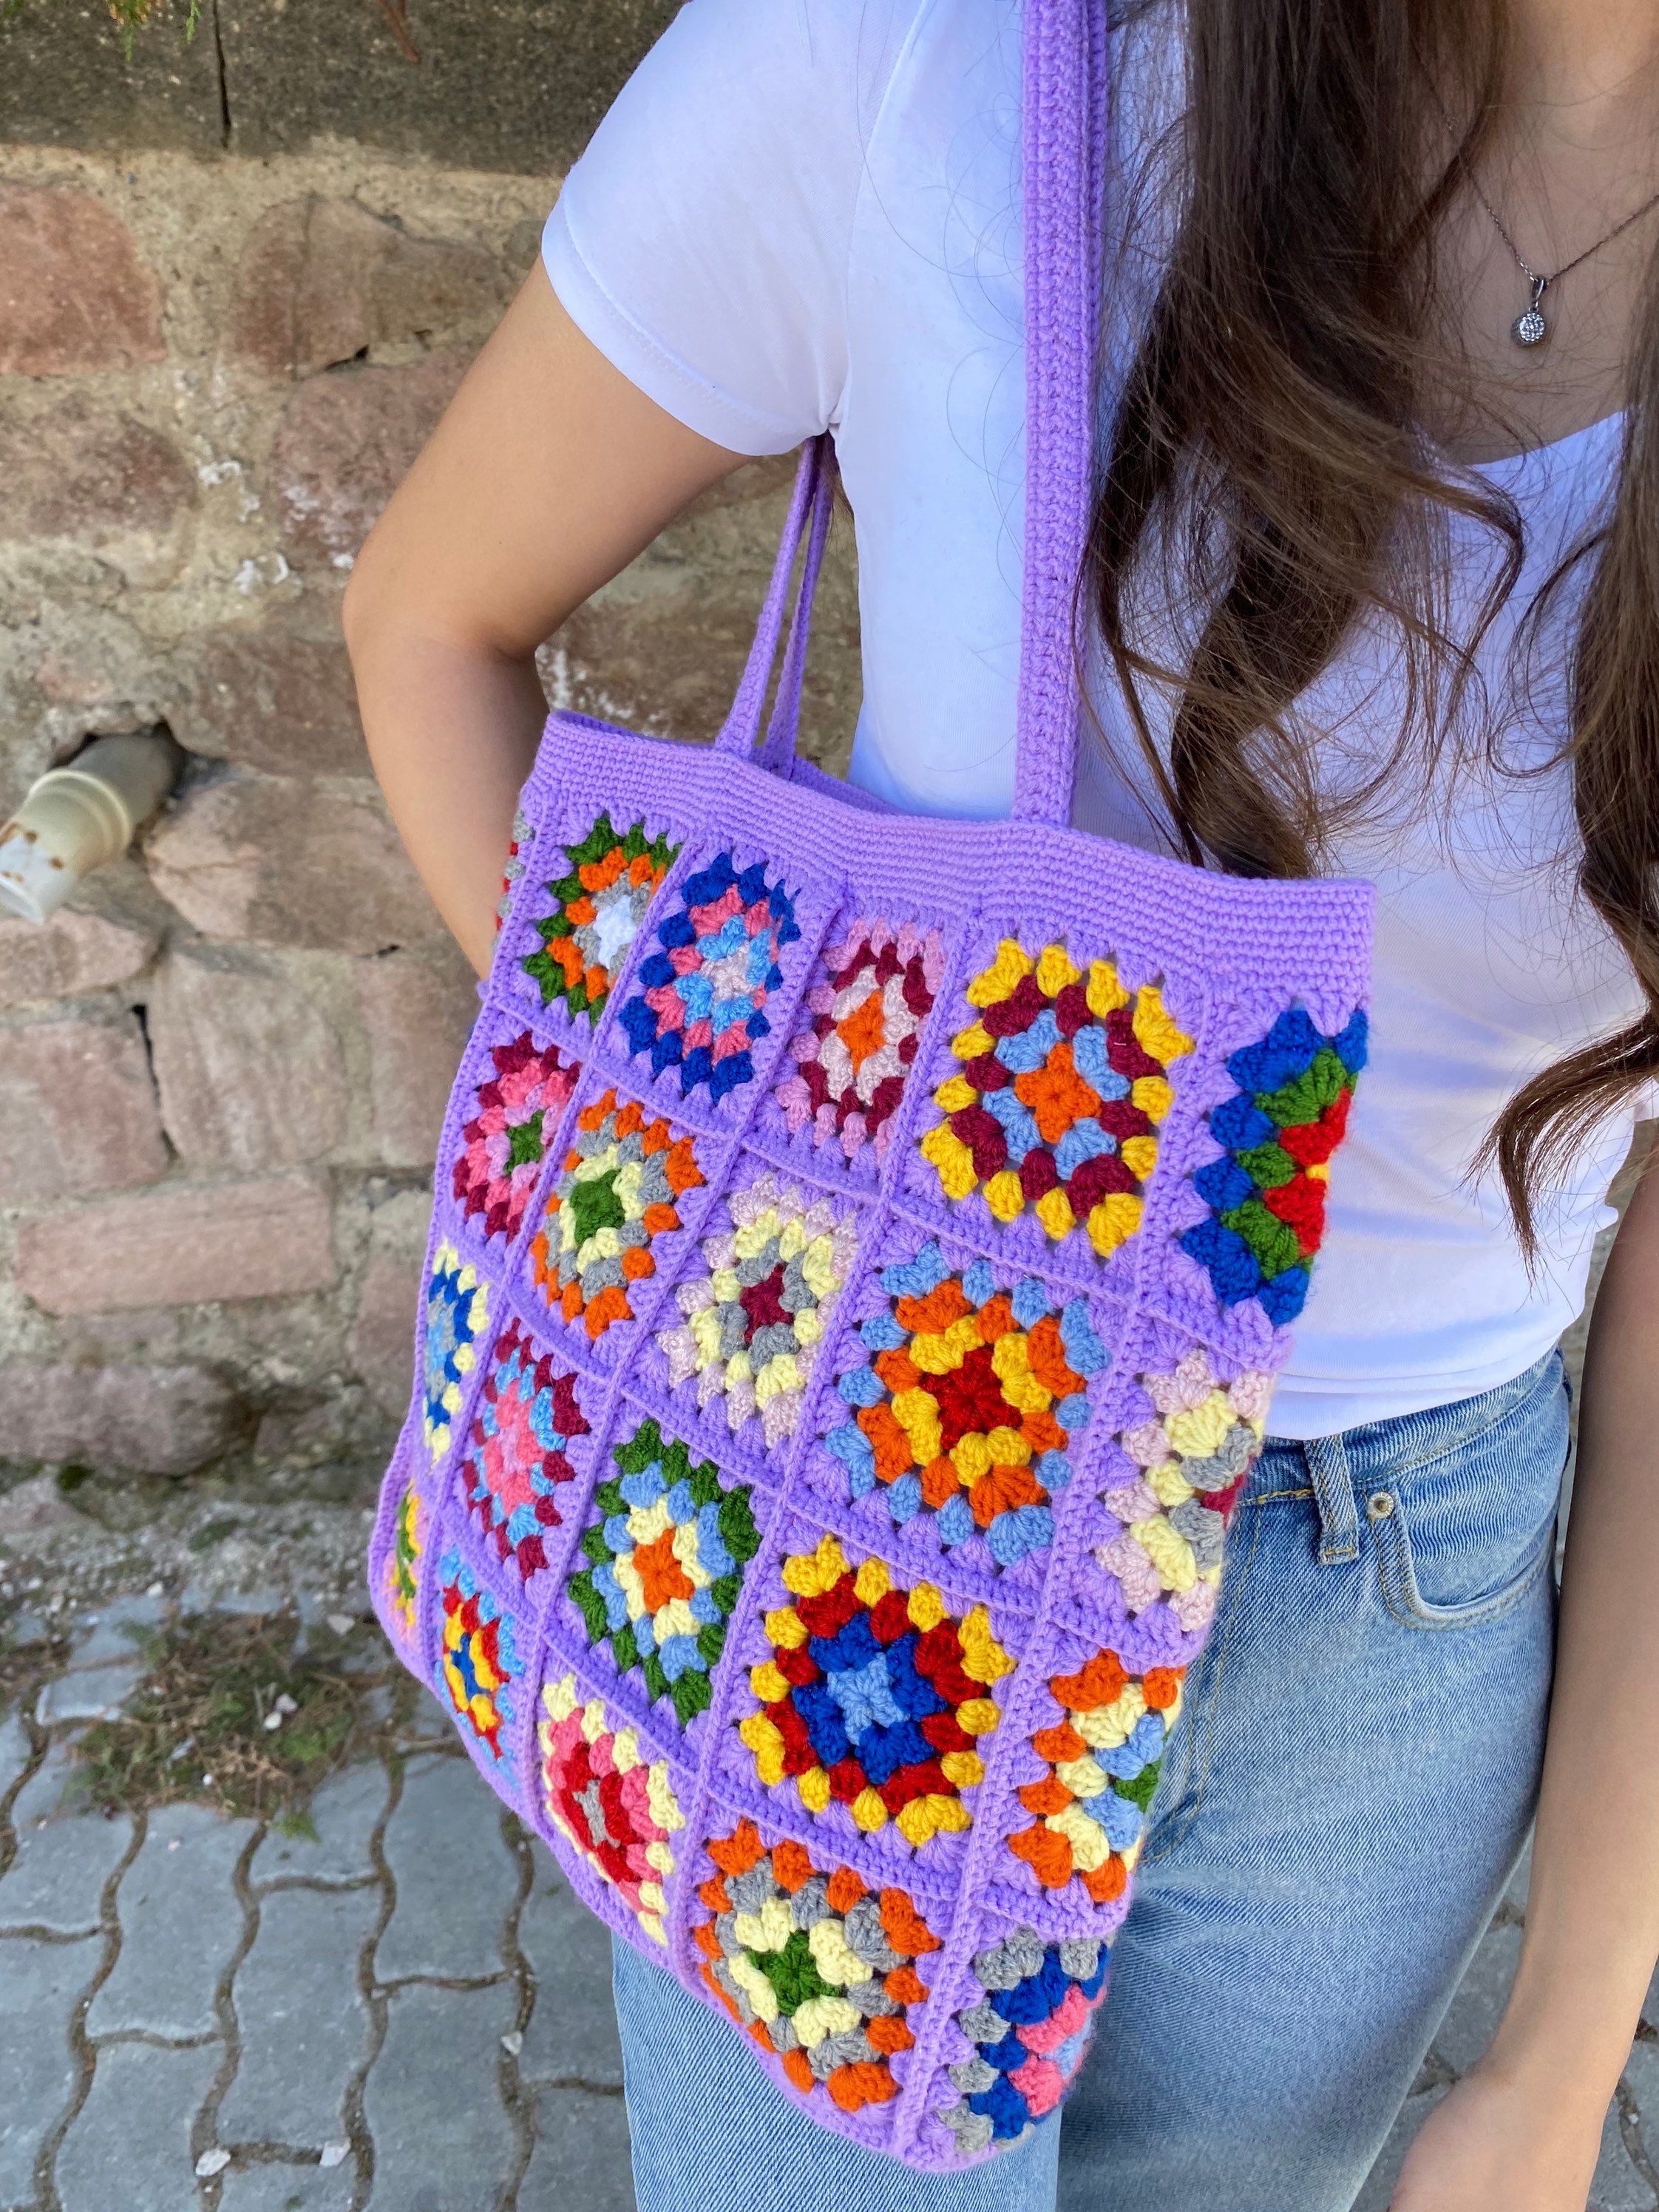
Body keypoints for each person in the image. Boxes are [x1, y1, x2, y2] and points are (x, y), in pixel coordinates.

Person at [341, 1, 1659, 2205]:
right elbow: (429, 619)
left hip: (1400, 1626)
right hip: (839, 1507)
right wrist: (702, 1187)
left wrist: (1562, 2040)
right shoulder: (922, 60)